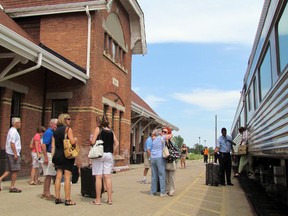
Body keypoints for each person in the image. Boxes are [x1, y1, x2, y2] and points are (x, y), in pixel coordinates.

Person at [90, 115, 119, 205]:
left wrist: (91, 140)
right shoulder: (111, 131)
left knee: (98, 177)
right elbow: (117, 143)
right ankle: (110, 199)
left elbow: (93, 142)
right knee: (108, 177)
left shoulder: (98, 129)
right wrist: (112, 151)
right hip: (108, 154)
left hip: (99, 154)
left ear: (99, 122)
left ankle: (98, 200)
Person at [53, 113, 77, 205]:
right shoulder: (68, 129)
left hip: (58, 154)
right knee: (67, 177)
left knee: (58, 177)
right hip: (66, 155)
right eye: (68, 119)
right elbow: (72, 141)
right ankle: (67, 199)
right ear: (64, 120)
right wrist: (75, 139)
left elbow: (53, 145)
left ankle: (57, 198)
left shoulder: (55, 131)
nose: (70, 120)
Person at [148, 128, 172, 197]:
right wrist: (166, 131)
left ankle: (153, 191)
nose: (163, 132)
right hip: (160, 158)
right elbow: (171, 135)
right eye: (162, 132)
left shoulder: (152, 139)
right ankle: (162, 192)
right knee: (161, 175)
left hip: (152, 158)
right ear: (160, 133)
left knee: (154, 176)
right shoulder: (161, 138)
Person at [0, 117, 22, 193]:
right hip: (12, 153)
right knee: (15, 170)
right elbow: (12, 143)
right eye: (19, 122)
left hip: (10, 152)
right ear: (16, 123)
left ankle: (0, 179)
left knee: (8, 170)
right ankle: (12, 186)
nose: (20, 124)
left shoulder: (11, 131)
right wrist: (15, 154)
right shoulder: (14, 132)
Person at [41, 118, 58, 200]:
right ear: (51, 124)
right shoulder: (49, 132)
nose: (56, 126)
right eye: (56, 125)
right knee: (49, 174)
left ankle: (45, 192)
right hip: (48, 154)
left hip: (49, 154)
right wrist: (46, 157)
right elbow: (44, 145)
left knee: (50, 174)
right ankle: (46, 192)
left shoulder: (52, 132)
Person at [163, 127, 178, 196]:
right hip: (164, 160)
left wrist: (168, 141)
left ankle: (171, 190)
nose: (163, 133)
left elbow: (175, 148)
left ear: (168, 133)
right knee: (166, 177)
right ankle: (166, 190)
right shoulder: (162, 139)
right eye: (163, 131)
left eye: (165, 132)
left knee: (171, 177)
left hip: (171, 160)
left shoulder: (172, 140)